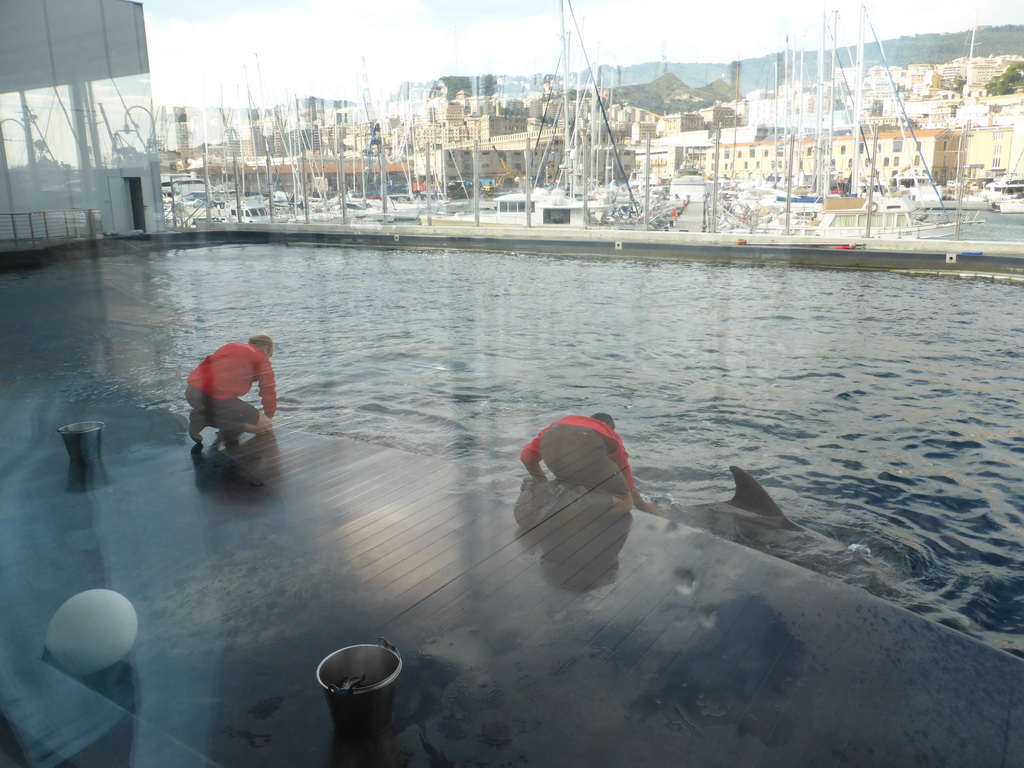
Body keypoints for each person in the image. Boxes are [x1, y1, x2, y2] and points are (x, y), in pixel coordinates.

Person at [520, 413, 661, 514]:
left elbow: (527, 457)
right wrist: (642, 505)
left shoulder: (563, 423)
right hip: (588, 439)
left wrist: (544, 484)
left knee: (574, 479)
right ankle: (570, 505)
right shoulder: (608, 434)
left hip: (555, 430)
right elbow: (625, 476)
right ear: (611, 427)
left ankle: (549, 490)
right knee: (625, 502)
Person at [185, 333, 277, 447]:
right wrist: (268, 416)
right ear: (267, 349)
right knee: (264, 426)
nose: (269, 358)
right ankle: (205, 419)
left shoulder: (231, 346)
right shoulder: (262, 359)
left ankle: (212, 417)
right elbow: (268, 390)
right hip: (212, 398)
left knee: (234, 409)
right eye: (270, 355)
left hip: (191, 393)